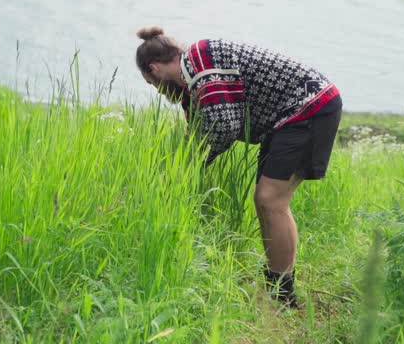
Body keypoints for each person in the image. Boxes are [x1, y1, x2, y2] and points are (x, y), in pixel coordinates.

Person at [135, 26, 343, 309]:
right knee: (265, 201)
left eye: (151, 83)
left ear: (154, 69)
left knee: (271, 199)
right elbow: (199, 127)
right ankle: (276, 286)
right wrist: (179, 165)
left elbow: (224, 127)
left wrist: (191, 166)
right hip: (287, 117)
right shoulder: (194, 71)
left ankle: (282, 295)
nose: (159, 92)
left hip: (308, 108)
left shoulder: (199, 65)